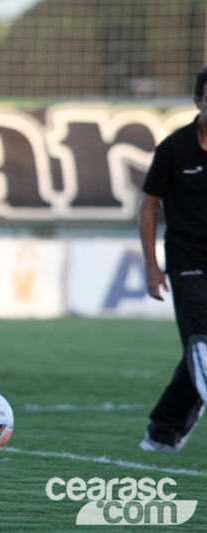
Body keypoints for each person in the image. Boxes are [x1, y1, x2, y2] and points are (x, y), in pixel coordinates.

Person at [138, 66, 207, 452]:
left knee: (200, 350)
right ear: (198, 101)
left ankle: (162, 433)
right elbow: (149, 207)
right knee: (201, 342)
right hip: (187, 262)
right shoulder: (174, 148)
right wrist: (151, 265)